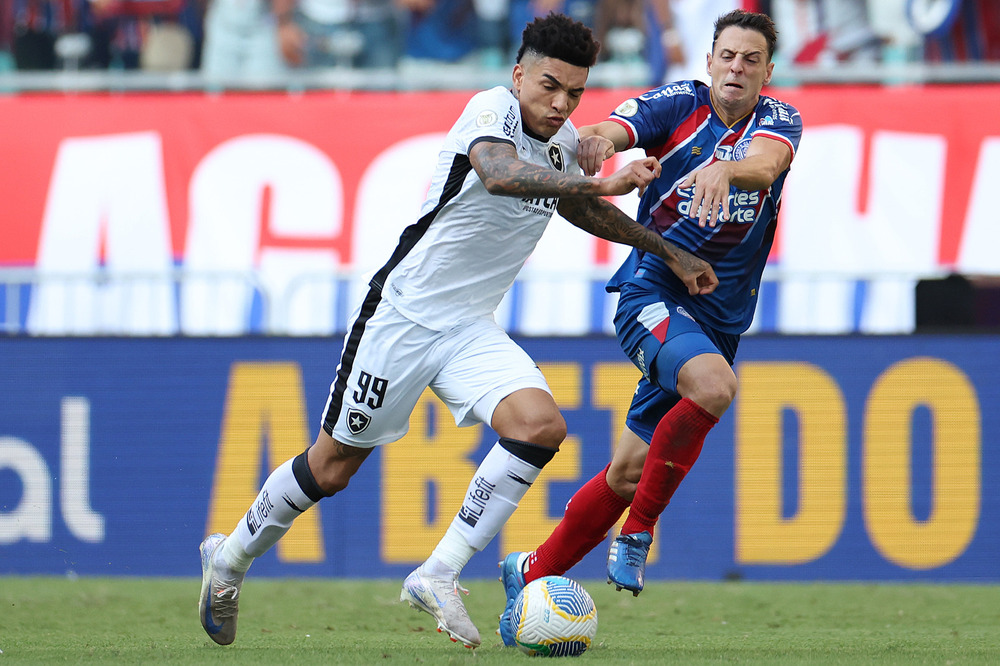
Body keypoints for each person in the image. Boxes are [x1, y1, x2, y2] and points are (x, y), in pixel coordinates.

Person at [198, 11, 717, 650]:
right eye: (549, 86)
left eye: (575, 93)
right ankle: (230, 558)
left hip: (470, 327)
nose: (560, 104)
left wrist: (666, 251)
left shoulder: (562, 144)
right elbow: (500, 173)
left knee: (541, 427)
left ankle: (438, 573)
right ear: (519, 73)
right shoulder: (491, 110)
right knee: (333, 468)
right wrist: (600, 178)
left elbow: (581, 207)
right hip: (404, 318)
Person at [497, 7, 802, 645]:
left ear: (767, 72)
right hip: (653, 293)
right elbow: (613, 128)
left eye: (751, 60)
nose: (737, 68)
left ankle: (531, 572)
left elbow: (768, 165)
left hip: (720, 317)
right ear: (709, 61)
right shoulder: (678, 105)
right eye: (728, 56)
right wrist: (602, 147)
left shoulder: (780, 120)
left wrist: (728, 168)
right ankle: (638, 534)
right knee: (714, 390)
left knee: (629, 470)